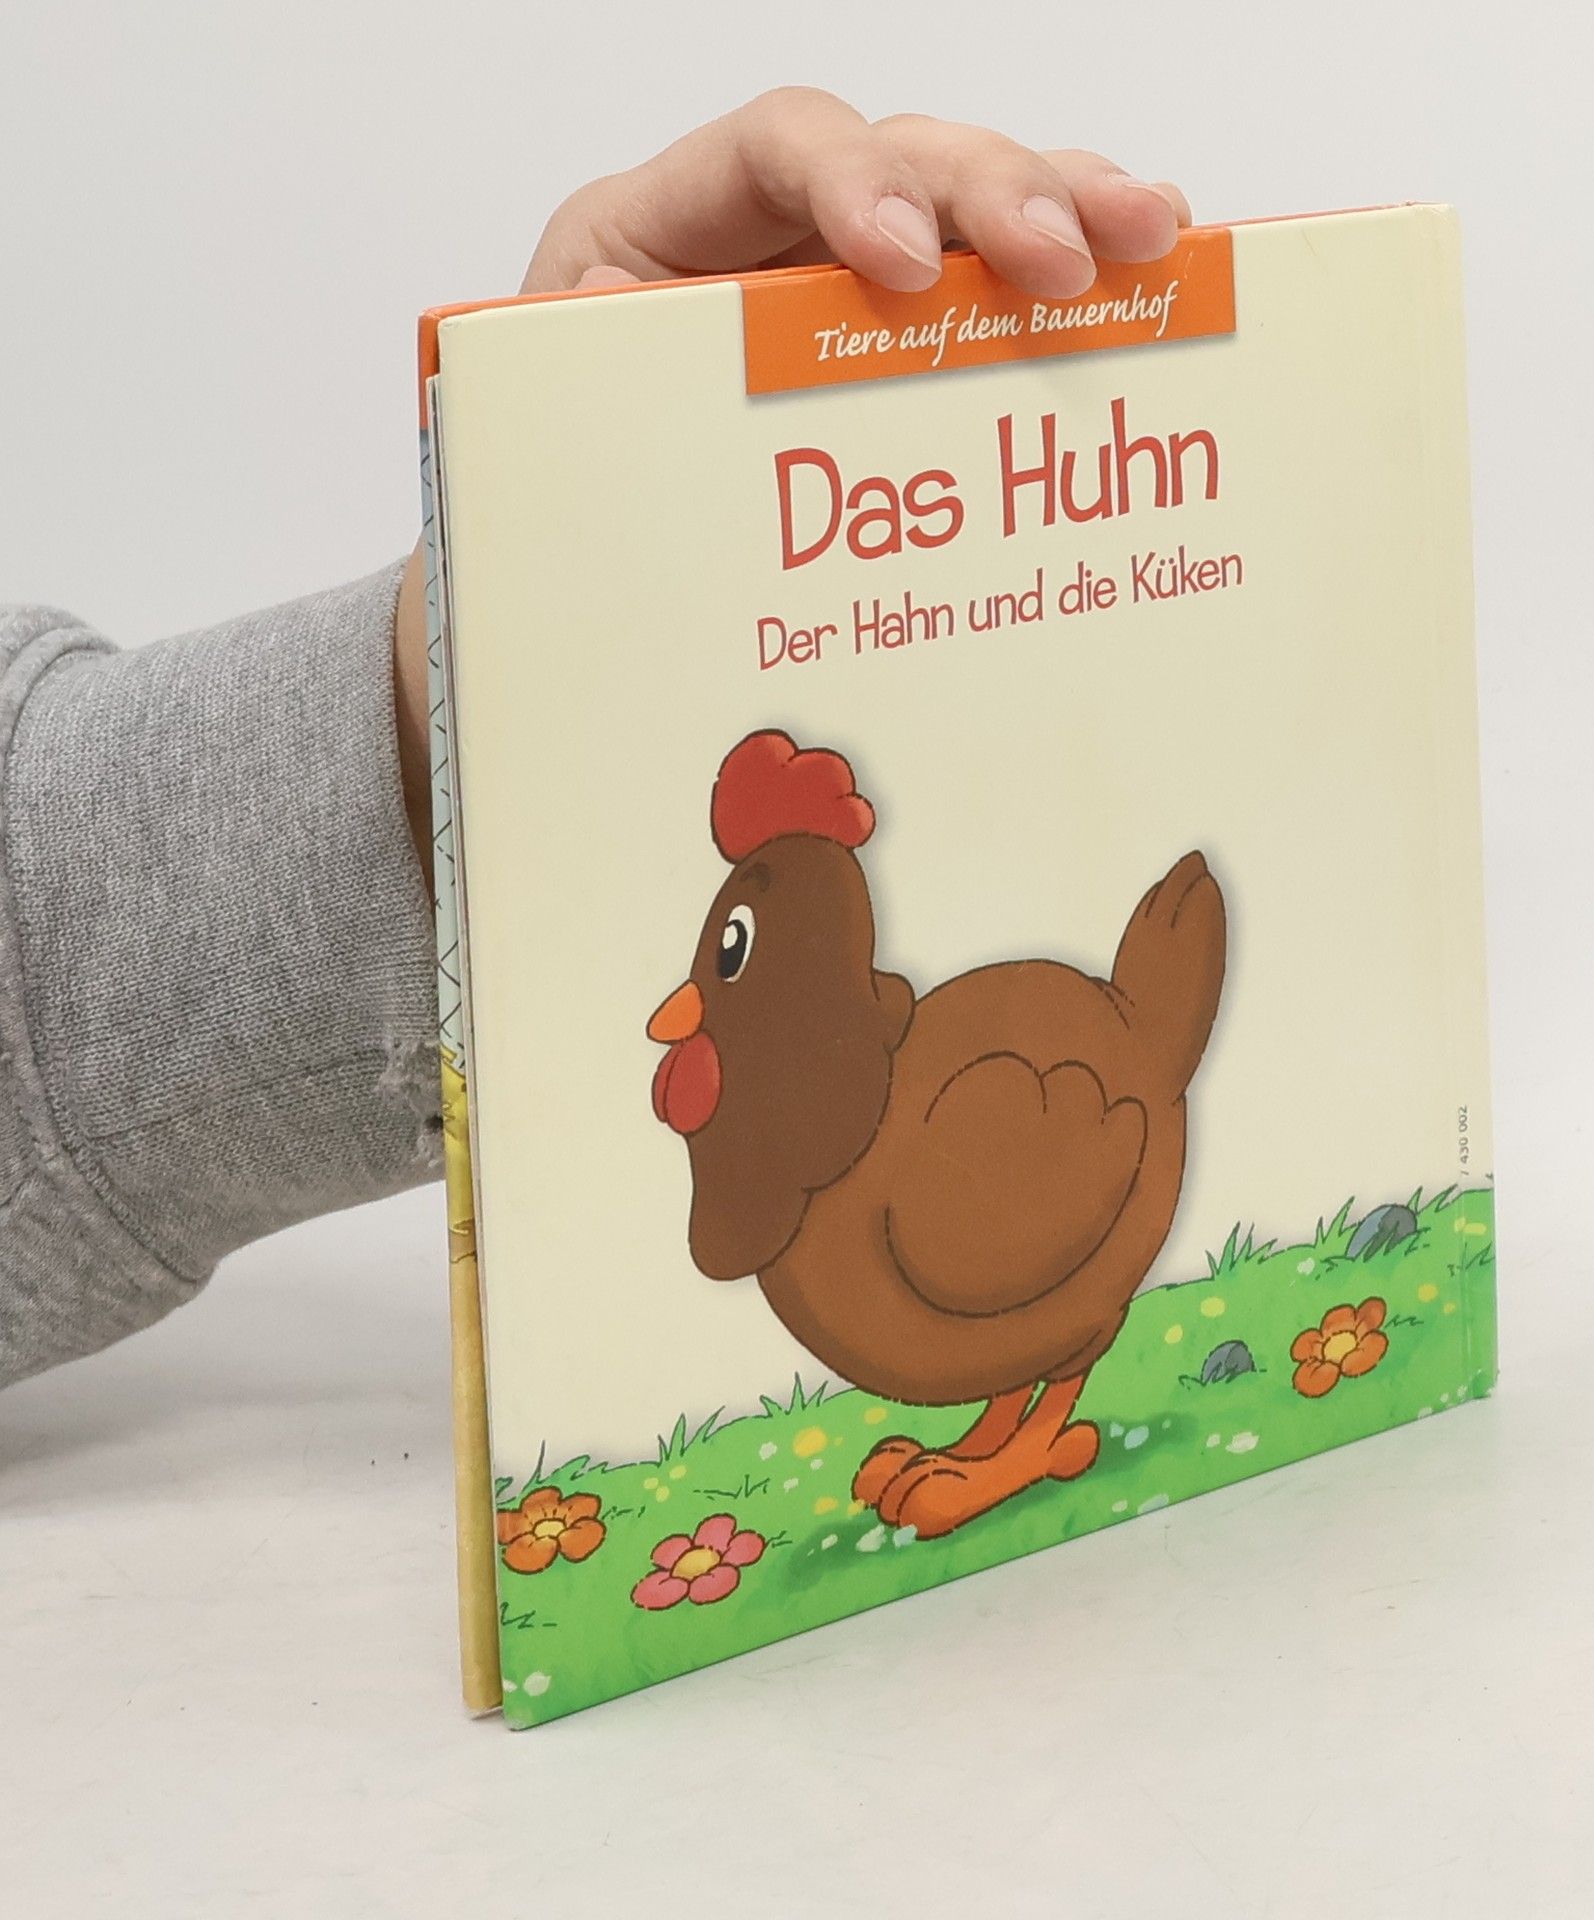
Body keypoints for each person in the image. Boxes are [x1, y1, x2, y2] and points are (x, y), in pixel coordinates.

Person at [0, 89, 1192, 1387]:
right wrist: (453, 748)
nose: (693, 991)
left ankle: (1026, 1426)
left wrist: (440, 706)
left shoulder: (932, 1176)